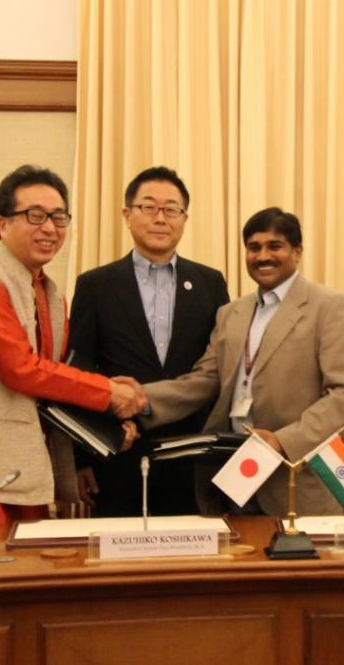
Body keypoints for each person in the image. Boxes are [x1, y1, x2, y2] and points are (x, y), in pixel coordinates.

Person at [0, 165, 143, 525]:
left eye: (59, 217)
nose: (50, 228)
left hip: (22, 468)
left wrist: (108, 420)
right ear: (2, 224)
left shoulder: (48, 292)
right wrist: (108, 393)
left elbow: (58, 375)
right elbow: (23, 370)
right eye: (35, 216)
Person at [142, 207, 344, 517]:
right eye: (253, 247)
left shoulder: (330, 306)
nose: (263, 256)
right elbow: (206, 379)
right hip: (233, 476)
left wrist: (282, 441)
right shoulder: (230, 313)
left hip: (297, 480)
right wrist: (141, 397)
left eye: (275, 246)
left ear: (298, 251)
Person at [69, 167, 229, 516]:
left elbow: (220, 368)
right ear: (127, 214)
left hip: (191, 454)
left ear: (184, 219)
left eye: (171, 209)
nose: (160, 218)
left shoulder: (210, 284)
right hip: (118, 451)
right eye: (149, 207)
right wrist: (83, 457)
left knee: (195, 549)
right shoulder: (95, 285)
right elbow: (79, 371)